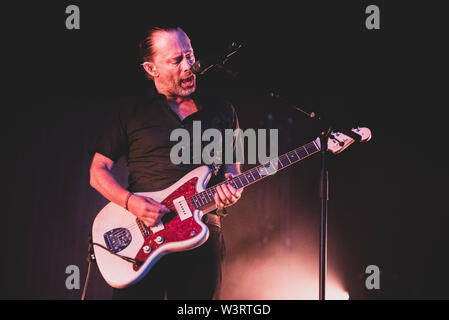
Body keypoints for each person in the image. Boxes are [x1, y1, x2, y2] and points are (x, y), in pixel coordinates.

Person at [89, 26, 243, 299]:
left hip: (202, 234)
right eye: (176, 60)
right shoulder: (130, 111)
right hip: (143, 233)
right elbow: (97, 171)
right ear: (151, 68)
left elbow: (233, 170)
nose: (189, 66)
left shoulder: (222, 110)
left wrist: (233, 189)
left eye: (190, 55)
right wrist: (130, 202)